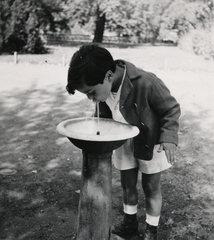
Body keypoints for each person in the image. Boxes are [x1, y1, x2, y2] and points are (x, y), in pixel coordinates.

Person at [66, 44, 181, 240]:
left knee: (151, 187)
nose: (91, 99)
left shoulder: (146, 82)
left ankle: (151, 231)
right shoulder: (104, 84)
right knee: (127, 185)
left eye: (91, 92)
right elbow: (102, 115)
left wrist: (169, 138)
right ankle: (130, 223)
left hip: (151, 142)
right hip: (123, 141)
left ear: (109, 76)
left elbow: (171, 109)